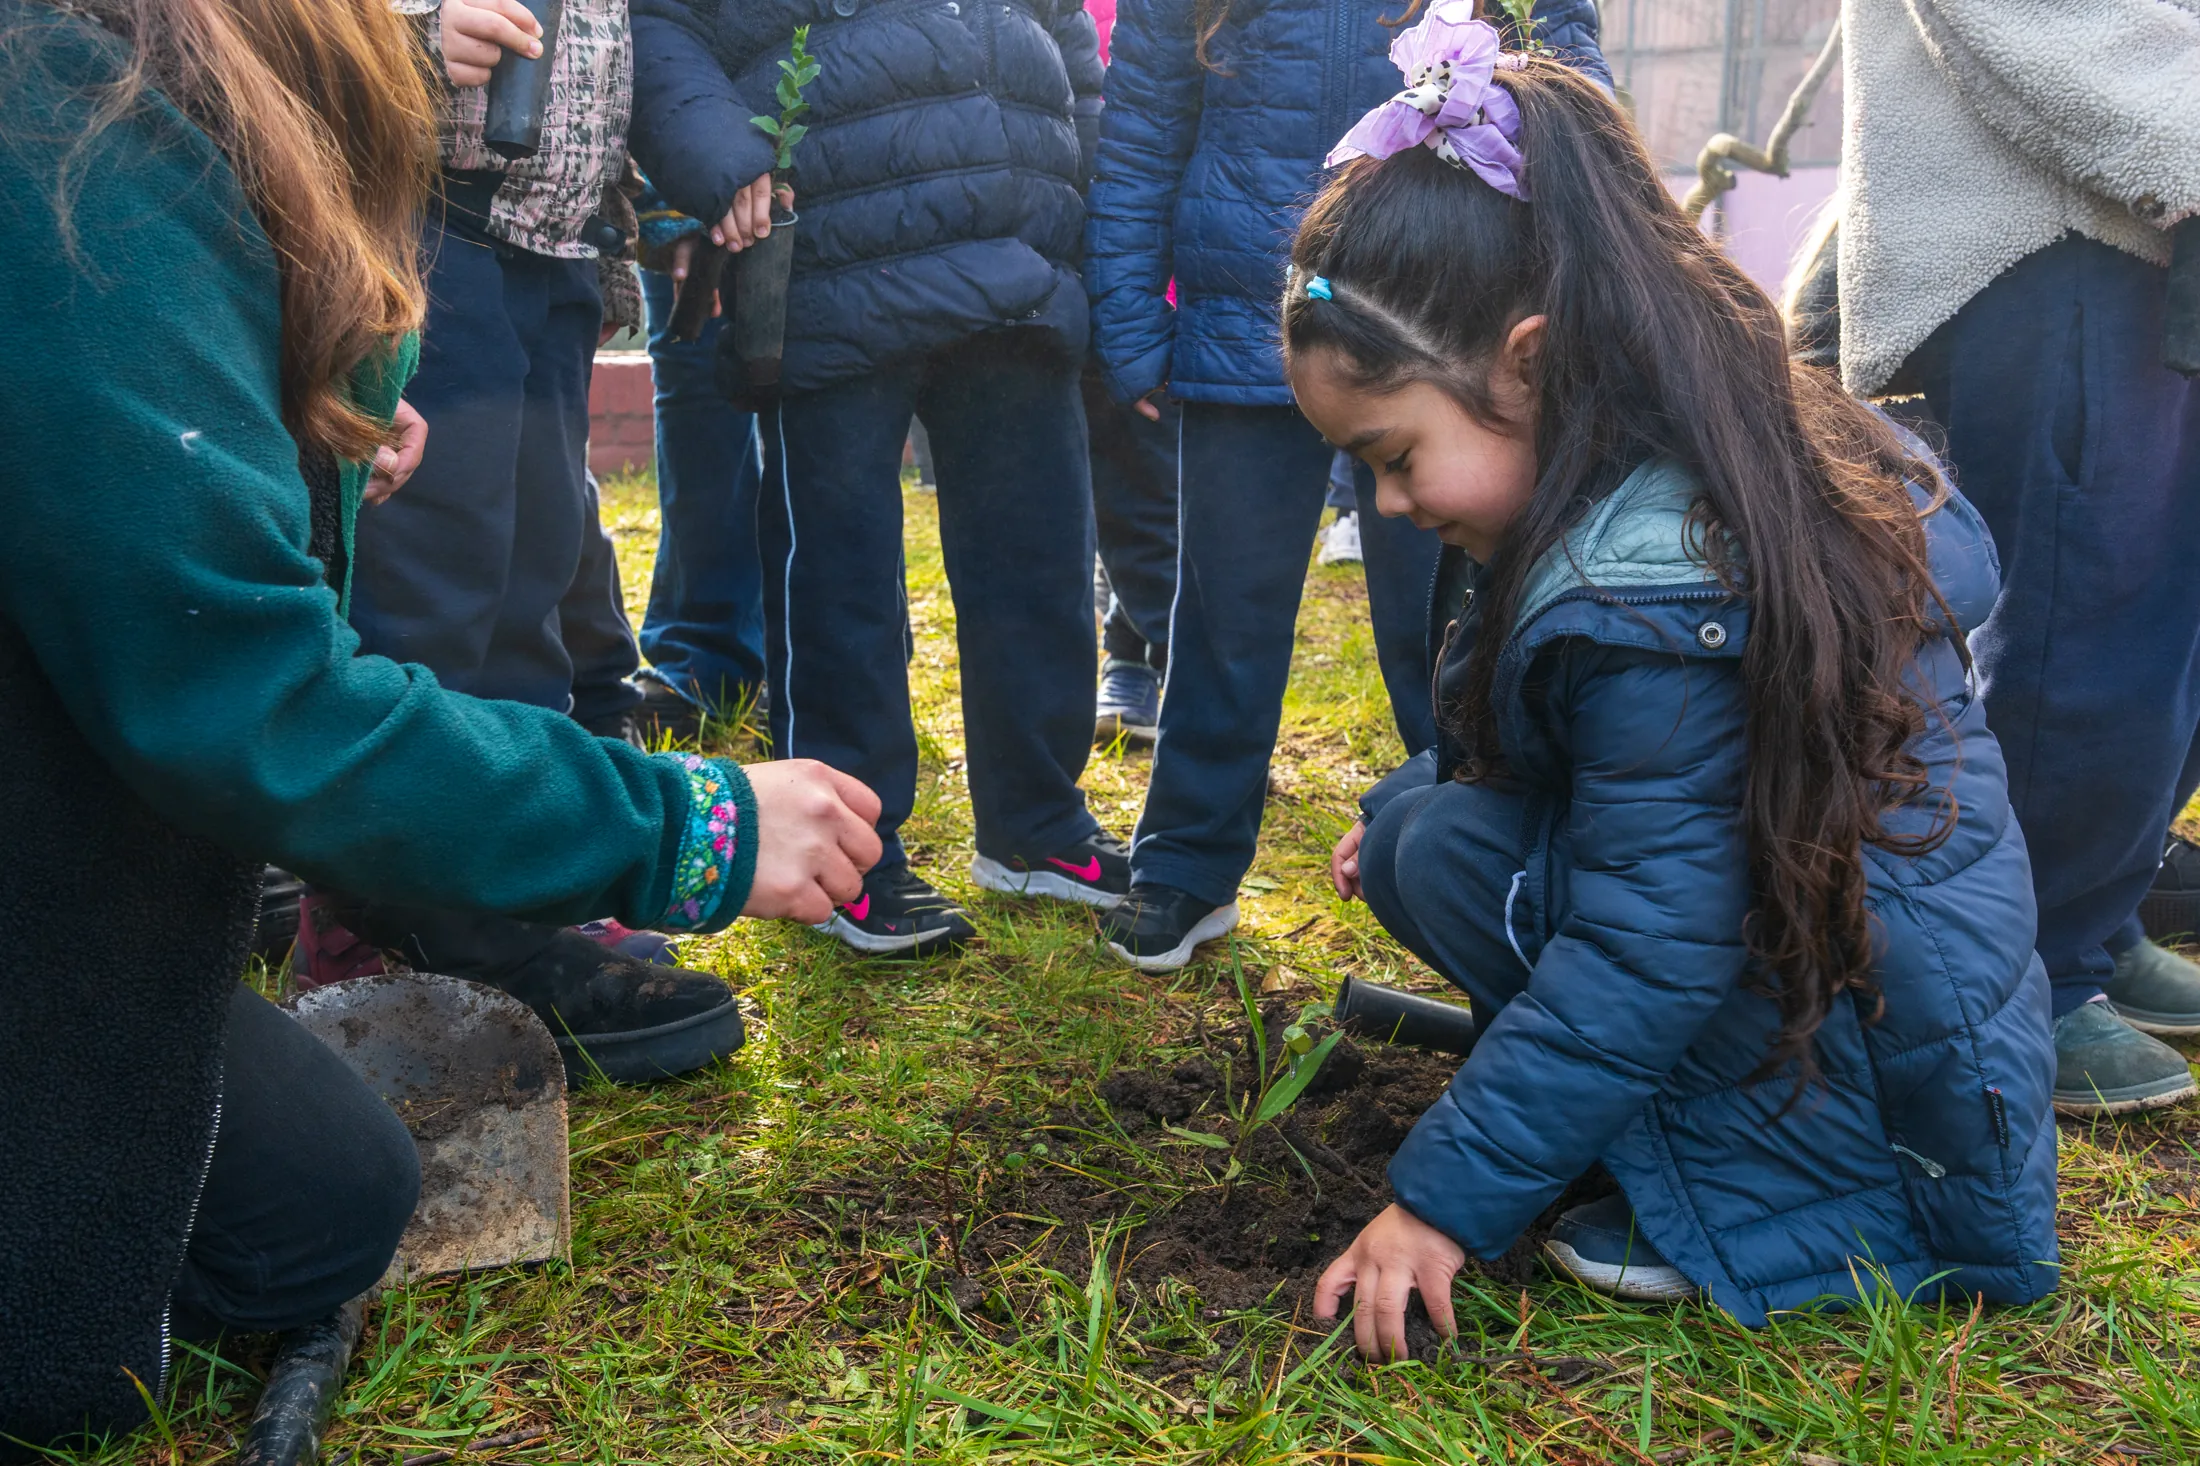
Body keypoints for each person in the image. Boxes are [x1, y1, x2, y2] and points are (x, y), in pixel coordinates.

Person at [0, 0, 880, 1445]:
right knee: (71, 1359)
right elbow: (251, 699)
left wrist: (294, 436)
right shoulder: (69, 103)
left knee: (328, 1204)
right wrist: (685, 822)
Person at [1283, 14, 2056, 1357]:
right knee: (1429, 830)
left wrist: (1438, 1203)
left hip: (1907, 1131)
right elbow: (1589, 774)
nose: (1392, 505)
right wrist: (1411, 794)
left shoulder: (1668, 585)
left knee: (1469, 854)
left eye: (1397, 455)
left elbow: (1654, 941)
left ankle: (1760, 1198)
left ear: (1526, 361)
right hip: (1825, 992)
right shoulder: (1625, 483)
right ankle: (1675, 1128)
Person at [1084, 0, 1608, 971]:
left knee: (1449, 620)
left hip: (1440, 319)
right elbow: (1144, 119)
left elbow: (1569, 75)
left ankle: (1490, 854)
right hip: (1247, 313)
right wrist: (1126, 315)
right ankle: (1186, 864)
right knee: (1222, 617)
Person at [630, 0, 1132, 955]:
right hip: (832, 255)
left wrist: (1090, 204)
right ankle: (846, 853)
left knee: (1042, 563)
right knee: (842, 579)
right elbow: (662, 23)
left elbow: (1071, 41)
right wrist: (721, 156)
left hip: (1020, 259)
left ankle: (1039, 823)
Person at [1833, 0, 2200, 1116]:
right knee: (2085, 610)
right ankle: (2019, 971)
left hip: (2150, 224)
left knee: (2167, 615)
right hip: (2052, 232)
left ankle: (2094, 904)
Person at [630, 181, 772, 741]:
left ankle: (833, 657)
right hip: (689, 180)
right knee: (698, 388)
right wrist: (670, 213)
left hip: (831, 162)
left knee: (834, 390)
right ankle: (701, 663)